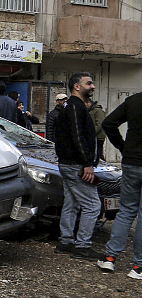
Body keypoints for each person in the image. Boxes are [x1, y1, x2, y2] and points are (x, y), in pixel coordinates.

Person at [52, 72, 101, 258]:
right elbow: (78, 136)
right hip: (76, 165)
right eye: (89, 83)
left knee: (71, 203)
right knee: (92, 205)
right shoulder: (74, 107)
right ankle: (82, 246)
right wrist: (87, 164)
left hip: (70, 164)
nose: (93, 86)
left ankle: (65, 241)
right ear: (77, 87)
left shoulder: (75, 107)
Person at [99, 92, 142, 279]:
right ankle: (138, 267)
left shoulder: (134, 100)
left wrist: (123, 147)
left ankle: (110, 258)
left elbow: (108, 123)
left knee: (126, 211)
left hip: (131, 162)